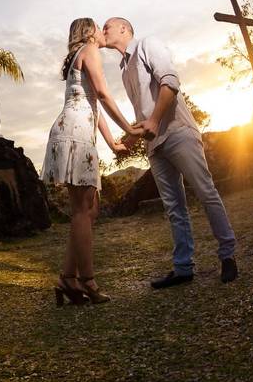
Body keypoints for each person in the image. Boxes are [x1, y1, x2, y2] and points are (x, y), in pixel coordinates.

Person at [101, 17, 239, 288]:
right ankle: (183, 268)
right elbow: (144, 111)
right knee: (174, 206)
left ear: (124, 29)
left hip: (177, 132)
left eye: (107, 26)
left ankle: (228, 256)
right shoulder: (124, 68)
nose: (102, 30)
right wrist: (129, 139)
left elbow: (170, 81)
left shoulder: (147, 45)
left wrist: (154, 121)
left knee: (205, 192)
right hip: (154, 144)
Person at [42, 18, 143, 306]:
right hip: (74, 134)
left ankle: (68, 278)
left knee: (90, 208)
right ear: (88, 32)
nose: (102, 32)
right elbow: (101, 93)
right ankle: (88, 281)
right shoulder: (89, 49)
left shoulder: (82, 53)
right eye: (99, 27)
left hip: (78, 132)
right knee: (82, 209)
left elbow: (93, 105)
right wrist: (130, 128)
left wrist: (113, 142)